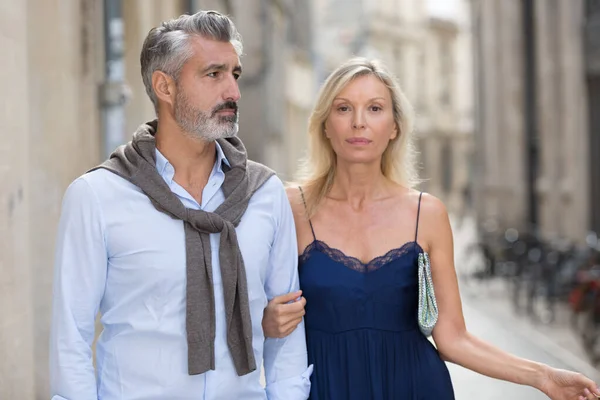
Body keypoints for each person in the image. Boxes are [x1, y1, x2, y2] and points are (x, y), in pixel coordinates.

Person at [262, 57, 600, 400]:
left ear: (394, 127)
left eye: (375, 108)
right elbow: (236, 306)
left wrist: (542, 376)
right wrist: (265, 322)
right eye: (344, 108)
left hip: (414, 386)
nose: (359, 122)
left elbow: (453, 338)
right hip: (326, 387)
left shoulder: (427, 213)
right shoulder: (290, 207)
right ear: (325, 125)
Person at [49, 10, 311, 400]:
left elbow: (287, 331)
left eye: (234, 75)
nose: (233, 92)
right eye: (213, 74)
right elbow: (71, 338)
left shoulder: (264, 194)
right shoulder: (98, 196)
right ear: (165, 87)